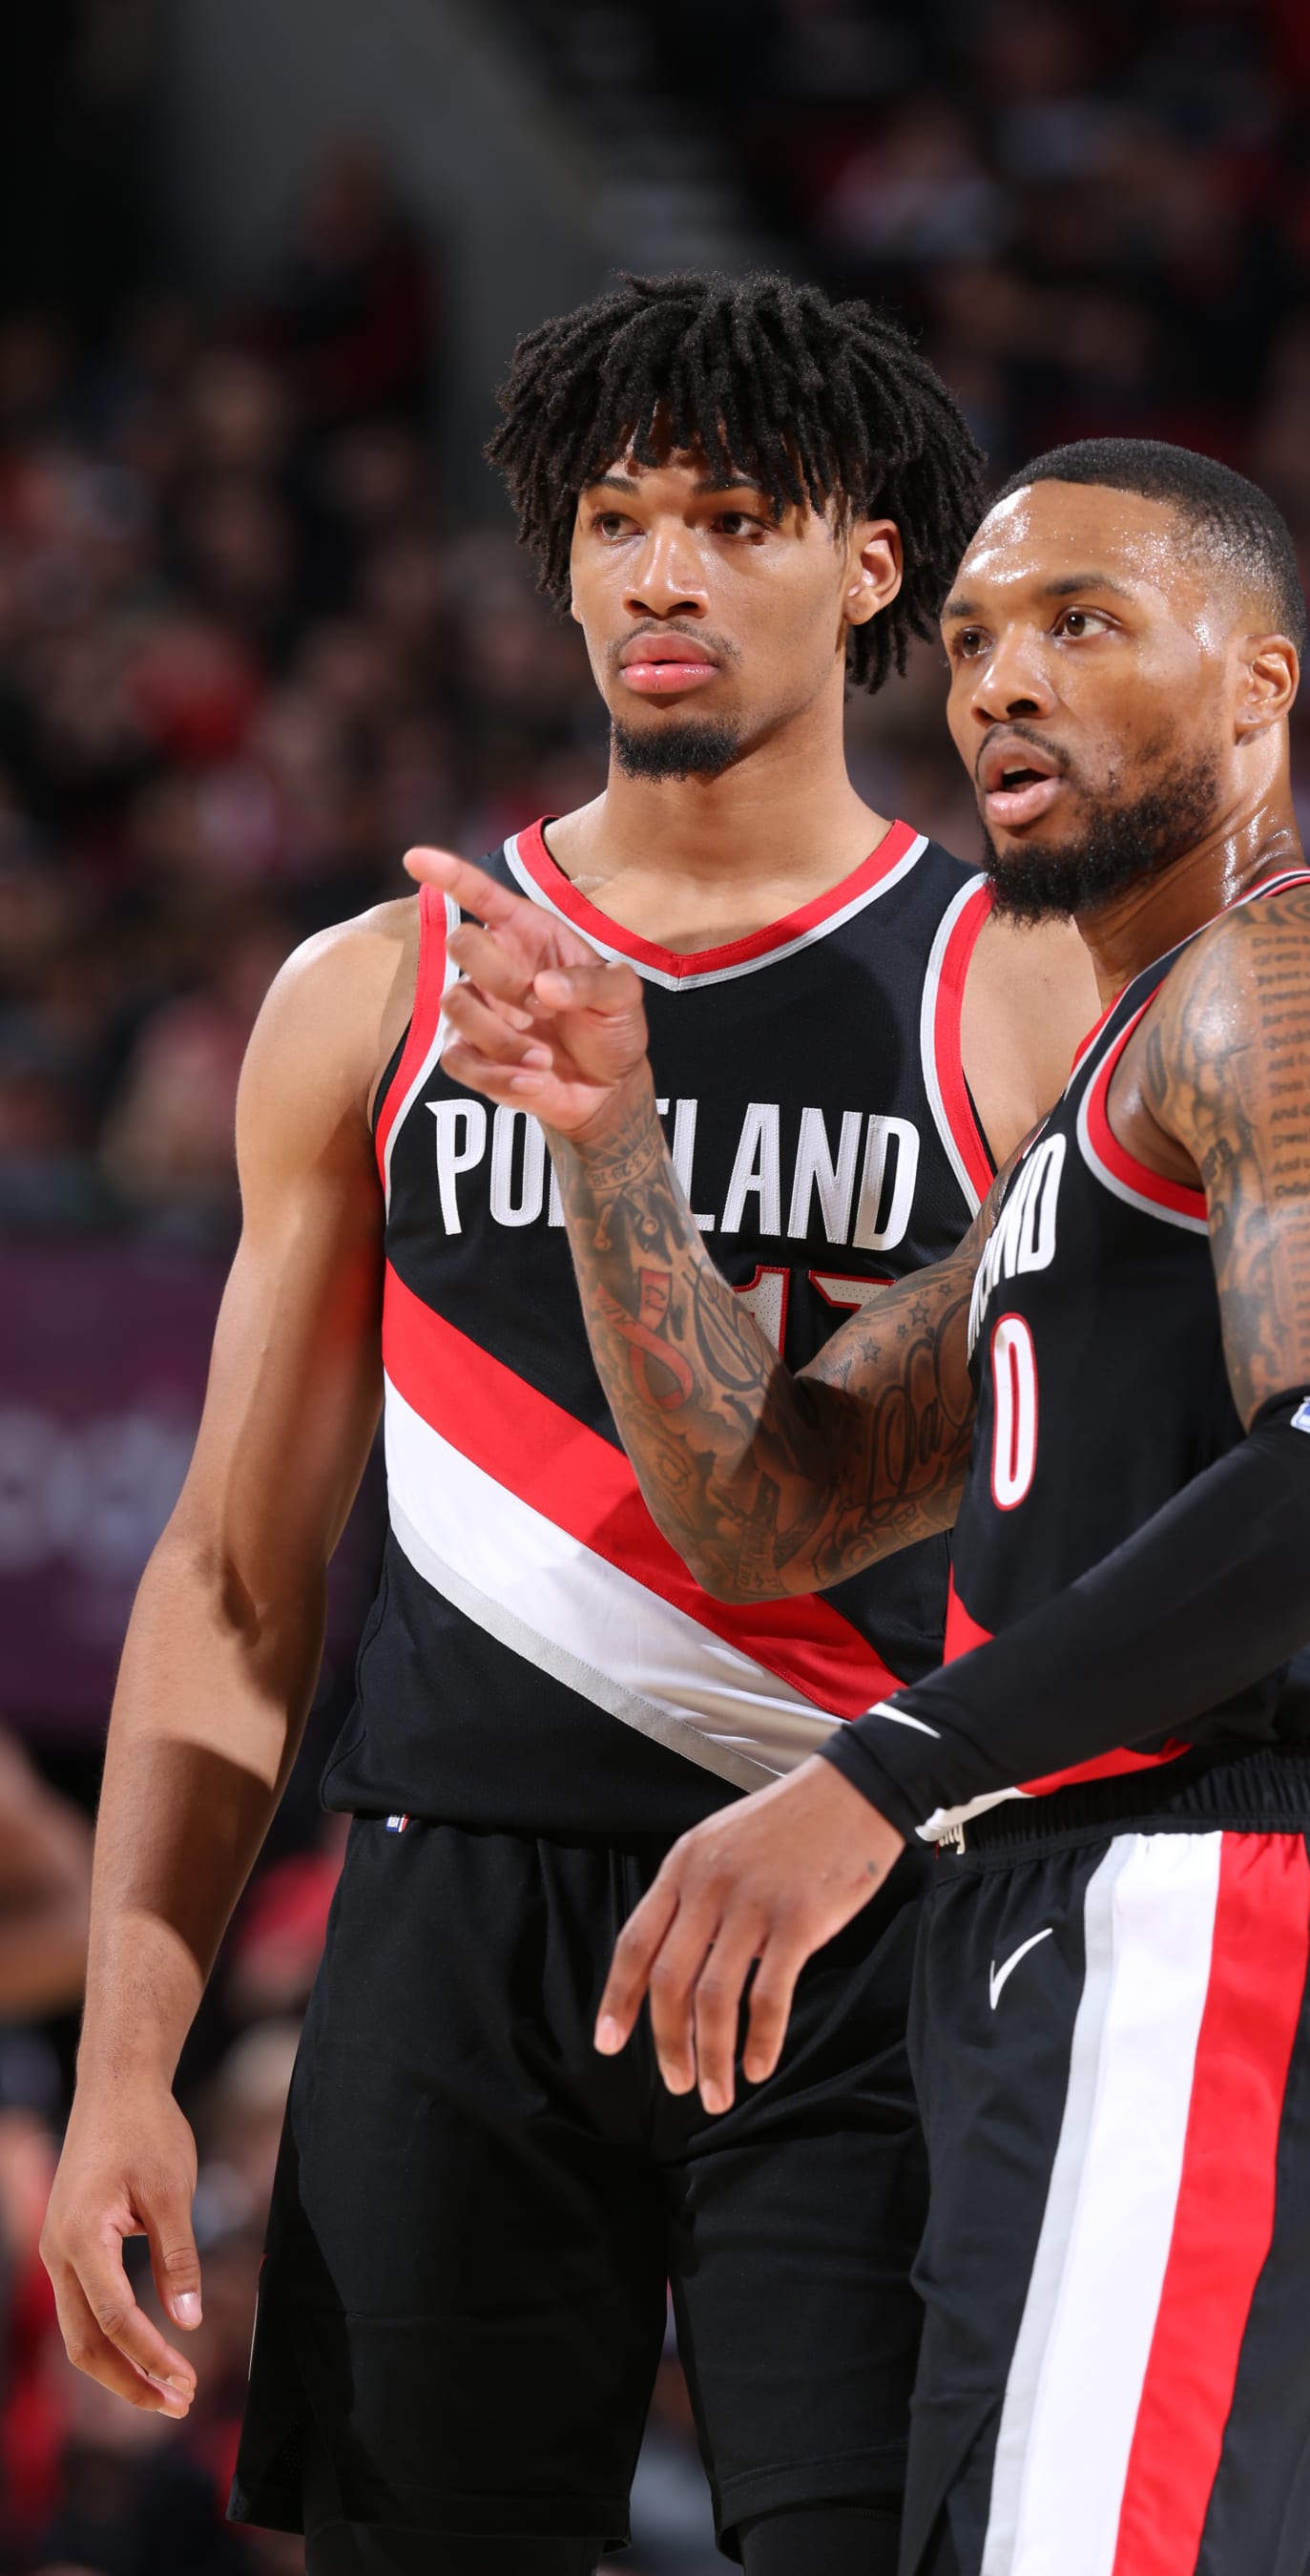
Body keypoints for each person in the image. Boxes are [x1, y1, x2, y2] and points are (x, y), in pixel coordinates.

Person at [39, 275, 1098, 2576]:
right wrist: (130, 2056)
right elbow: (235, 1578)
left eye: (733, 517)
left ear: (873, 565)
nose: (661, 573)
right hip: (453, 1918)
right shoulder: (377, 991)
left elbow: (1109, 1536)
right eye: (618, 521)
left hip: (857, 1899)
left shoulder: (1012, 986)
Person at [422, 434, 1310, 2576]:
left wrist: (873, 1776)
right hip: (1052, 1904)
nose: (1001, 681)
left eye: (1082, 625)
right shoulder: (1098, 1114)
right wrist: (611, 1142)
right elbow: (775, 1508)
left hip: (1206, 1886)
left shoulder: (1305, 978)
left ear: (1261, 682)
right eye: (976, 638)